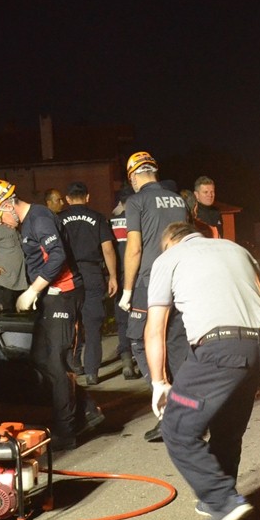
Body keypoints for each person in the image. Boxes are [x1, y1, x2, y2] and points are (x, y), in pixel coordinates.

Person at [145, 221, 260, 520]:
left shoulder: (168, 258)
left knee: (176, 428)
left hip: (220, 349)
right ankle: (217, 499)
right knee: (227, 428)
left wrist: (159, 382)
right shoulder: (237, 249)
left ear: (170, 243)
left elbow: (154, 329)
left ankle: (223, 500)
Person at [0, 179, 103, 451]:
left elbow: (57, 255)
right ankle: (86, 408)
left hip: (64, 294)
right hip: (50, 296)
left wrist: (33, 290)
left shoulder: (39, 217)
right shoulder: (28, 224)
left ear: (8, 205)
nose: (1, 222)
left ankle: (66, 430)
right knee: (39, 358)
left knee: (57, 362)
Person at [117, 151, 190, 441]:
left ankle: (168, 411)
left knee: (139, 340)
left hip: (149, 281)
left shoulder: (136, 201)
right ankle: (188, 413)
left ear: (134, 176)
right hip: (181, 277)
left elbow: (134, 248)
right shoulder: (180, 200)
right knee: (176, 343)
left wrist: (126, 289)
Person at [59, 181, 118, 385]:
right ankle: (92, 372)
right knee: (93, 325)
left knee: (68, 324)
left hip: (67, 275)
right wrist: (112, 276)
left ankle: (72, 367)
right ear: (87, 197)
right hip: (92, 273)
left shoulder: (60, 219)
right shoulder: (97, 218)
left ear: (67, 199)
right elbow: (108, 249)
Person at [110, 185, 142, 380]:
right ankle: (140, 356)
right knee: (140, 318)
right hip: (137, 275)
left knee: (122, 320)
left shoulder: (110, 222)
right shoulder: (139, 219)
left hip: (118, 275)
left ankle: (126, 361)